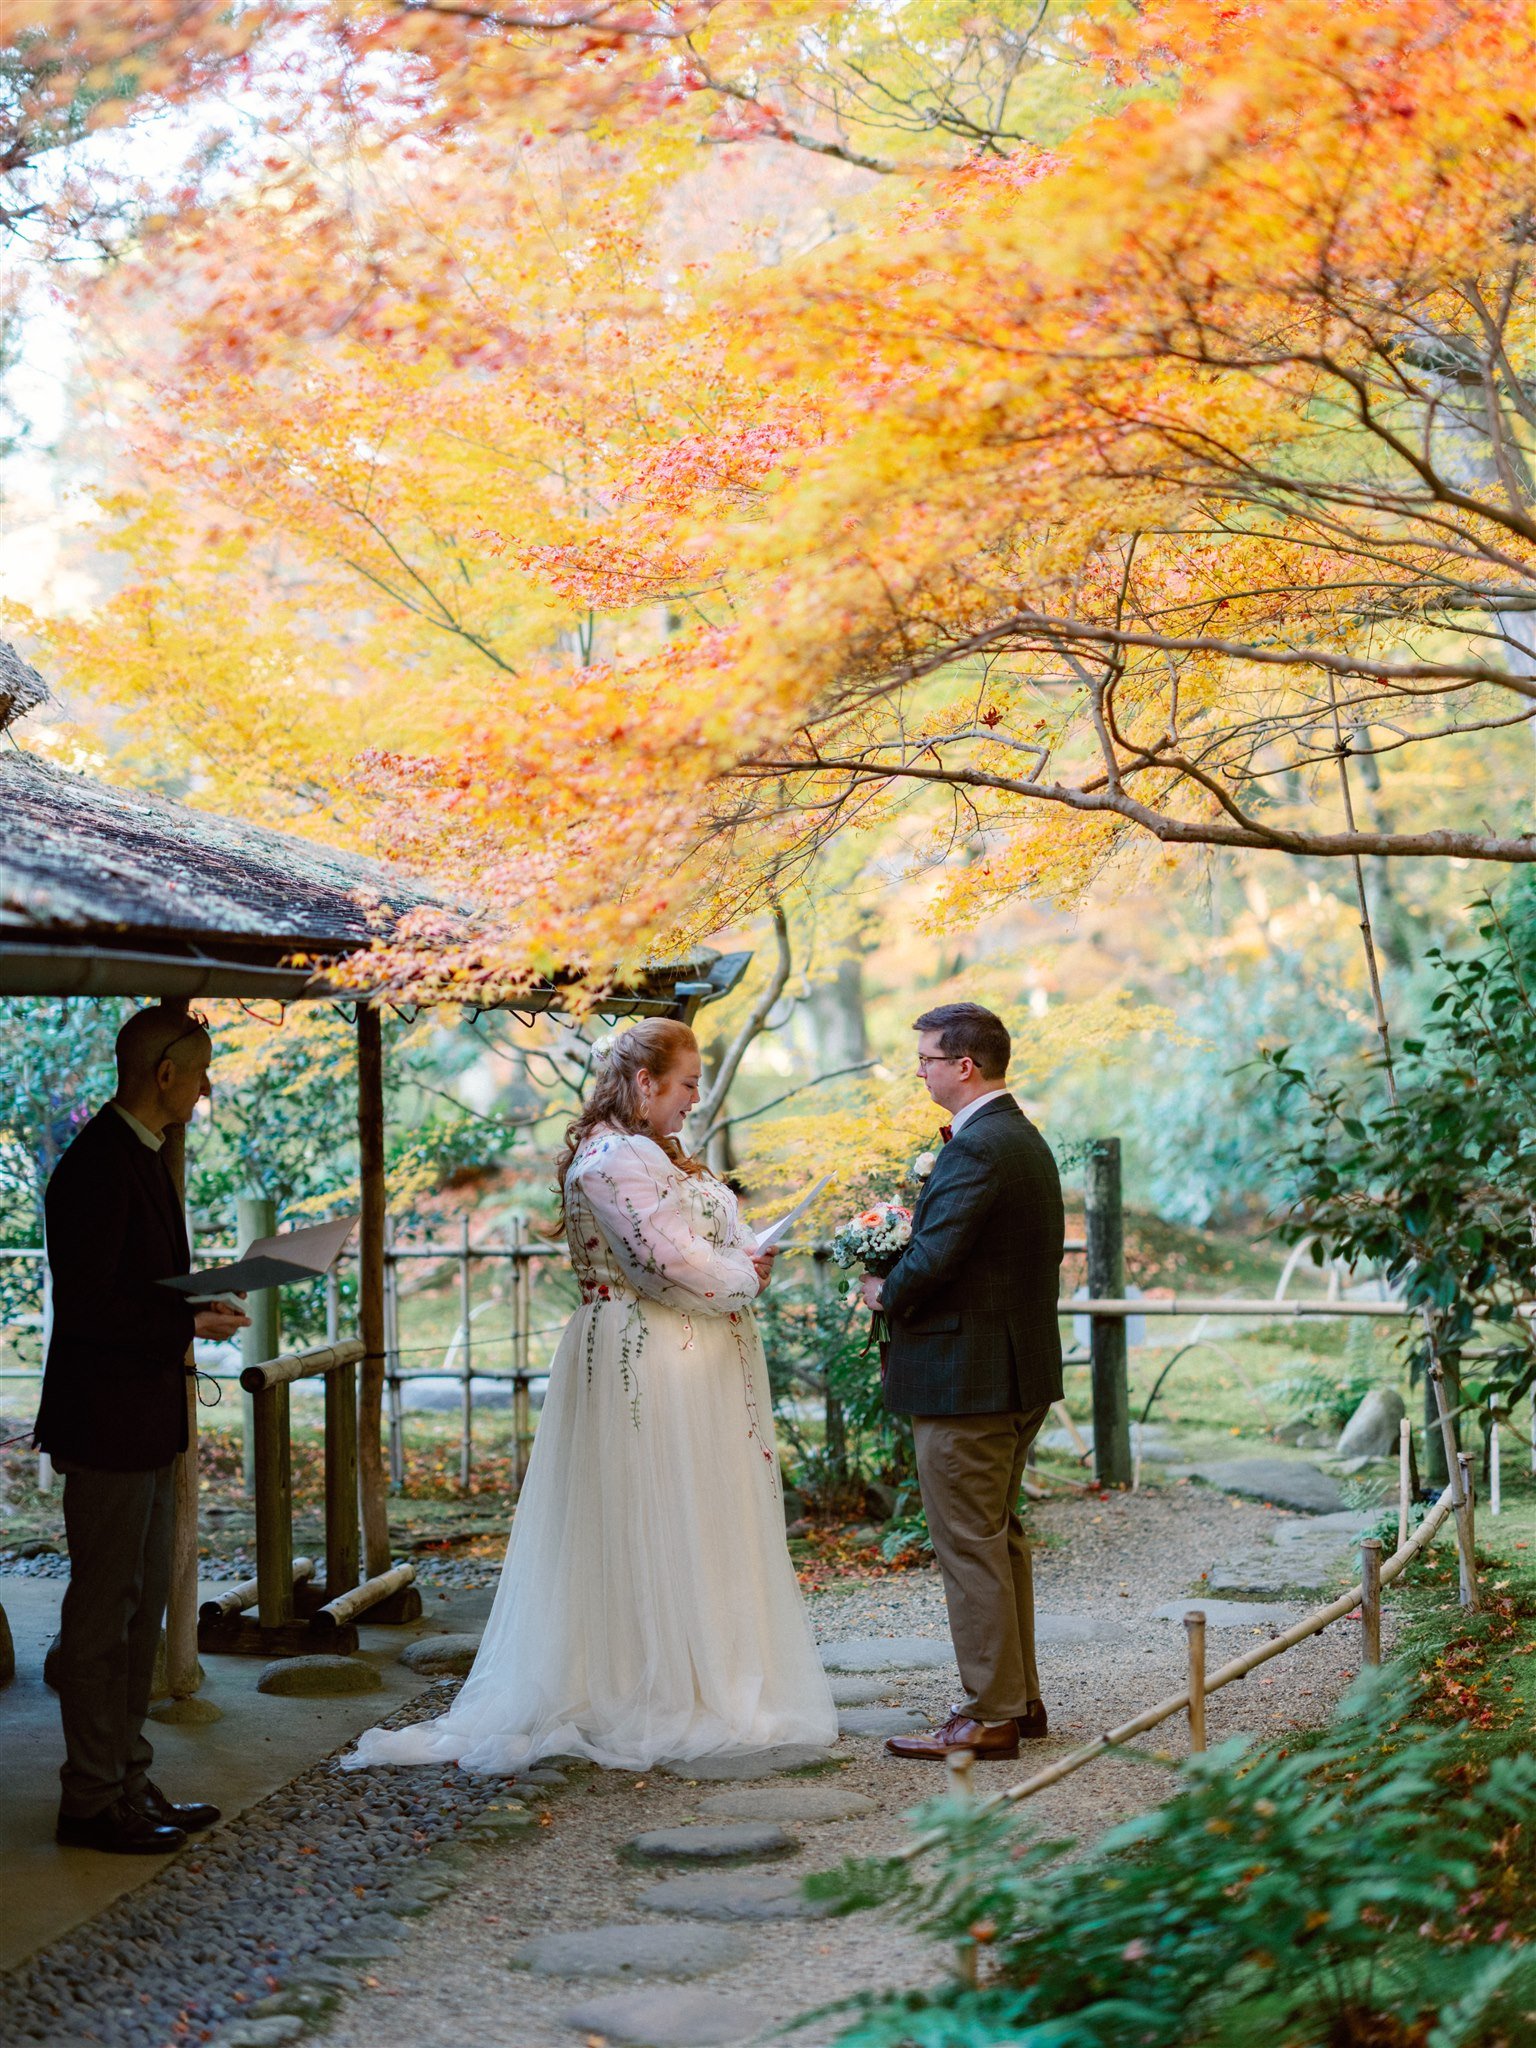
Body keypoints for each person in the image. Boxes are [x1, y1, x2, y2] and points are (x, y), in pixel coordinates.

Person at [345, 1018, 836, 1774]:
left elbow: (704, 1246)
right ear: (645, 1084)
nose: (695, 1098)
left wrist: (743, 1256)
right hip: (645, 1353)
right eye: (685, 1083)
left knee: (700, 1510)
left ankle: (712, 1670)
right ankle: (641, 1681)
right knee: (649, 1509)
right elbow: (664, 1264)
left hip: (694, 1355)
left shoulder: (661, 1155)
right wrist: (743, 1276)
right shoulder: (610, 1160)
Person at [35, 1006, 250, 1854]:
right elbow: (87, 1308)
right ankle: (90, 1798)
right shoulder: (95, 1166)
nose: (206, 1087)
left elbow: (135, 1286)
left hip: (145, 1414)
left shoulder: (141, 1156)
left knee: (143, 1606)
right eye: (200, 1072)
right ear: (164, 1074)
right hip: (103, 1421)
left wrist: (195, 1303)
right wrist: (185, 1326)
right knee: (103, 1614)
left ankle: (126, 1775)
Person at [863, 1001, 1064, 1762]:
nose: (921, 1070)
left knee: (970, 1546)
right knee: (998, 1540)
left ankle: (990, 1713)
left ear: (964, 1067)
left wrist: (884, 1287)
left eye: (926, 1060)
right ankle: (1019, 1699)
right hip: (1013, 1372)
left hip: (966, 1380)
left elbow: (936, 1255)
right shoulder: (1022, 1138)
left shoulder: (978, 1148)